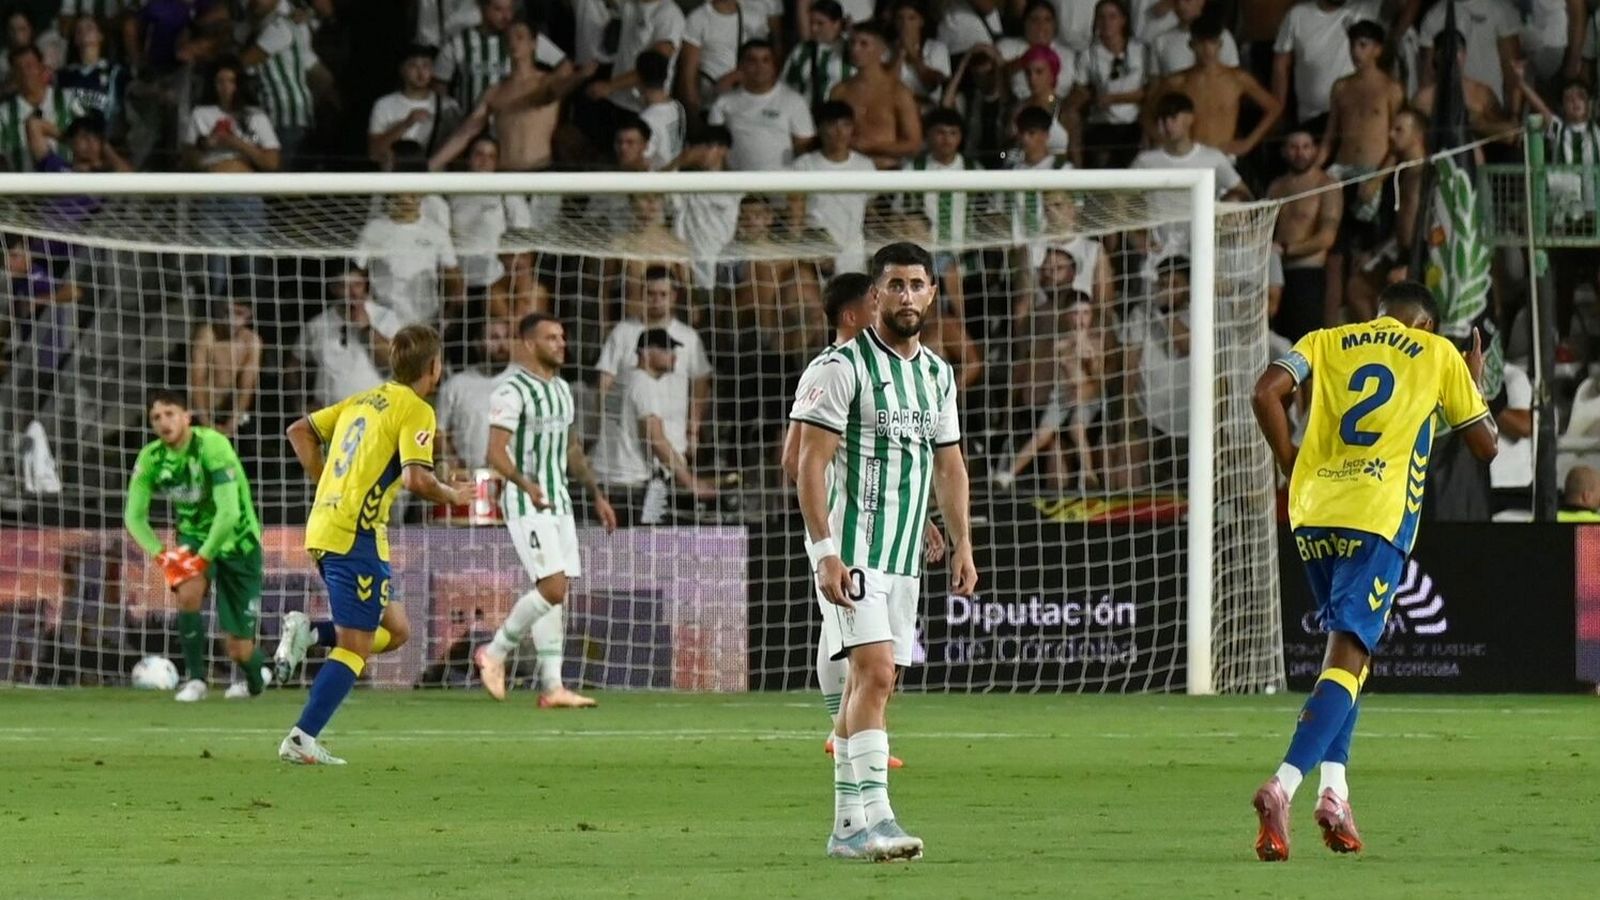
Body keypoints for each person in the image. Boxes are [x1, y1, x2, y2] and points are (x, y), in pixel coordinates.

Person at [1249, 281, 1498, 860]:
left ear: (1381, 316)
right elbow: (1485, 446)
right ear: (1427, 325)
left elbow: (1265, 392)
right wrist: (1472, 383)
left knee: (1347, 653)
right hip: (1376, 516)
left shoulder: (1325, 339)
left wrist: (1291, 461)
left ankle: (1334, 793)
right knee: (1351, 653)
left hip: (1310, 513)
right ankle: (1284, 783)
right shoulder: (1436, 354)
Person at [791, 242, 977, 861]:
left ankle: (846, 828)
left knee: (871, 685)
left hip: (903, 560)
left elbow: (947, 465)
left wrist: (960, 539)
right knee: (872, 674)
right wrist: (824, 551)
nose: (905, 296)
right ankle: (881, 817)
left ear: (931, 294)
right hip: (852, 552)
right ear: (874, 296)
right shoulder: (842, 368)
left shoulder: (938, 375)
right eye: (893, 285)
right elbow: (808, 466)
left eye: (916, 285)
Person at [277, 325, 475, 765]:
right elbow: (416, 478)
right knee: (356, 646)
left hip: (338, 526)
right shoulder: (417, 409)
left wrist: (328, 484)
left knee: (398, 629)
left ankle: (309, 632)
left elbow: (298, 431)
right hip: (354, 535)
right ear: (434, 368)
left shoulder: (363, 399)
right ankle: (301, 737)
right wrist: (452, 495)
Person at [780, 273, 940, 770]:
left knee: (850, 642)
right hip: (839, 527)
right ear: (854, 315)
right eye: (873, 305)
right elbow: (794, 458)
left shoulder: (905, 372)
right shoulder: (830, 369)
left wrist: (918, 516)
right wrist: (834, 513)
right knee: (853, 645)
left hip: (878, 524)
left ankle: (846, 732)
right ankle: (842, 731)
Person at [474, 313, 617, 708]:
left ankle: (553, 687)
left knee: (558, 593)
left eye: (562, 337)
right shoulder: (511, 391)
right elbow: (494, 451)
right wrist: (525, 485)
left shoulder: (562, 390)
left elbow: (571, 449)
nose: (560, 344)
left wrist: (596, 494)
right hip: (525, 502)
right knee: (551, 586)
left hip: (560, 501)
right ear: (530, 344)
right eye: (551, 338)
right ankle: (495, 652)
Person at [123, 390, 268, 702]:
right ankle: (196, 679)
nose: (164, 422)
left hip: (238, 541)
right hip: (194, 537)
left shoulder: (212, 446)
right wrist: (161, 554)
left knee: (238, 648)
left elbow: (229, 512)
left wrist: (203, 557)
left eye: (170, 414)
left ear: (186, 416)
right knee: (187, 593)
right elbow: (133, 516)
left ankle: (258, 677)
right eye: (156, 418)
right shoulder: (151, 458)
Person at [429, 20, 593, 173]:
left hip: (541, 172)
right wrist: (430, 166)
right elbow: (466, 132)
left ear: (533, 44)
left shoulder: (547, 82)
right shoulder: (495, 91)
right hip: (506, 173)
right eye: (509, 38)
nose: (514, 42)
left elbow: (551, 94)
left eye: (520, 37)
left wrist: (579, 76)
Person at [1144, 14, 1279, 158]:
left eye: (1212, 43)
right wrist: (1164, 139)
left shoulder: (1237, 79)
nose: (1208, 50)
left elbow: (1274, 107)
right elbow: (1146, 114)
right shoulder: (1177, 81)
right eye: (1201, 43)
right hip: (1189, 157)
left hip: (1223, 156)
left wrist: (1248, 143)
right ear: (1191, 45)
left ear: (1220, 45)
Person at [1265, 131, 1340, 340]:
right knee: (1278, 345)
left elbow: (1327, 237)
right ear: (1284, 152)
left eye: (1306, 146)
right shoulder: (1276, 187)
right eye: (1294, 147)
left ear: (1315, 150)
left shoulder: (1326, 185)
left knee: (1305, 345)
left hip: (1308, 272)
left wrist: (1287, 249)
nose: (1300, 153)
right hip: (1276, 274)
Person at [789, 100, 877, 274]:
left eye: (845, 125)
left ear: (852, 128)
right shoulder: (804, 165)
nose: (839, 132)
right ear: (820, 129)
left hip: (854, 249)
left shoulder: (865, 166)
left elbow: (870, 210)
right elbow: (795, 215)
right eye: (832, 125)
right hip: (816, 249)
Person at [1271, 0, 1381, 135]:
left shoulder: (1365, 10)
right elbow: (1280, 66)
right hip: (1310, 119)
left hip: (1354, 119)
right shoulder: (1297, 15)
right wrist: (1277, 114)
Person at [711, 39, 815, 172]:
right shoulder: (723, 102)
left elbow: (804, 149)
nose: (759, 66)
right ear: (740, 65)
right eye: (752, 60)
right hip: (737, 187)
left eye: (765, 60)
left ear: (774, 66)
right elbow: (714, 150)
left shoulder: (794, 101)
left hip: (781, 187)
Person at [830, 22, 922, 169]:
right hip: (849, 170)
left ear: (881, 49)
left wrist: (871, 147)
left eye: (863, 44)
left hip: (886, 170)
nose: (855, 49)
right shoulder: (840, 91)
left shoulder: (898, 92)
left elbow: (913, 144)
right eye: (852, 43)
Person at [679, 0, 781, 122]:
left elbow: (762, 61)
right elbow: (688, 73)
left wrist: (736, 77)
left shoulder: (754, 17)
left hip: (748, 101)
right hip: (711, 101)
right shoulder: (698, 18)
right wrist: (694, 115)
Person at [436, 317, 514, 472]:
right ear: (477, 343)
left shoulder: (524, 381)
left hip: (518, 480)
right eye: (494, 338)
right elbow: (438, 432)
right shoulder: (455, 386)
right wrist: (453, 464)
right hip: (472, 480)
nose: (502, 345)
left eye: (506, 337)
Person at [369, 44, 463, 168]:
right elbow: (373, 153)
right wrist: (406, 124)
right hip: (394, 179)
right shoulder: (384, 105)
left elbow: (459, 150)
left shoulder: (449, 105)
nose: (421, 72)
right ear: (402, 69)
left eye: (426, 65)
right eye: (413, 66)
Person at [189, 300, 263, 437]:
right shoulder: (207, 335)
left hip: (232, 414)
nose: (231, 319)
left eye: (238, 313)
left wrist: (232, 423)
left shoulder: (251, 341)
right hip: (202, 411)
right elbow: (196, 381)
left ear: (249, 316)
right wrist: (205, 422)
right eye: (227, 312)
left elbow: (247, 386)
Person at [782, 0, 850, 111]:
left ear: (836, 24)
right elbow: (785, 83)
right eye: (811, 23)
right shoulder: (801, 50)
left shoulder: (850, 51)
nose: (814, 28)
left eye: (820, 23)